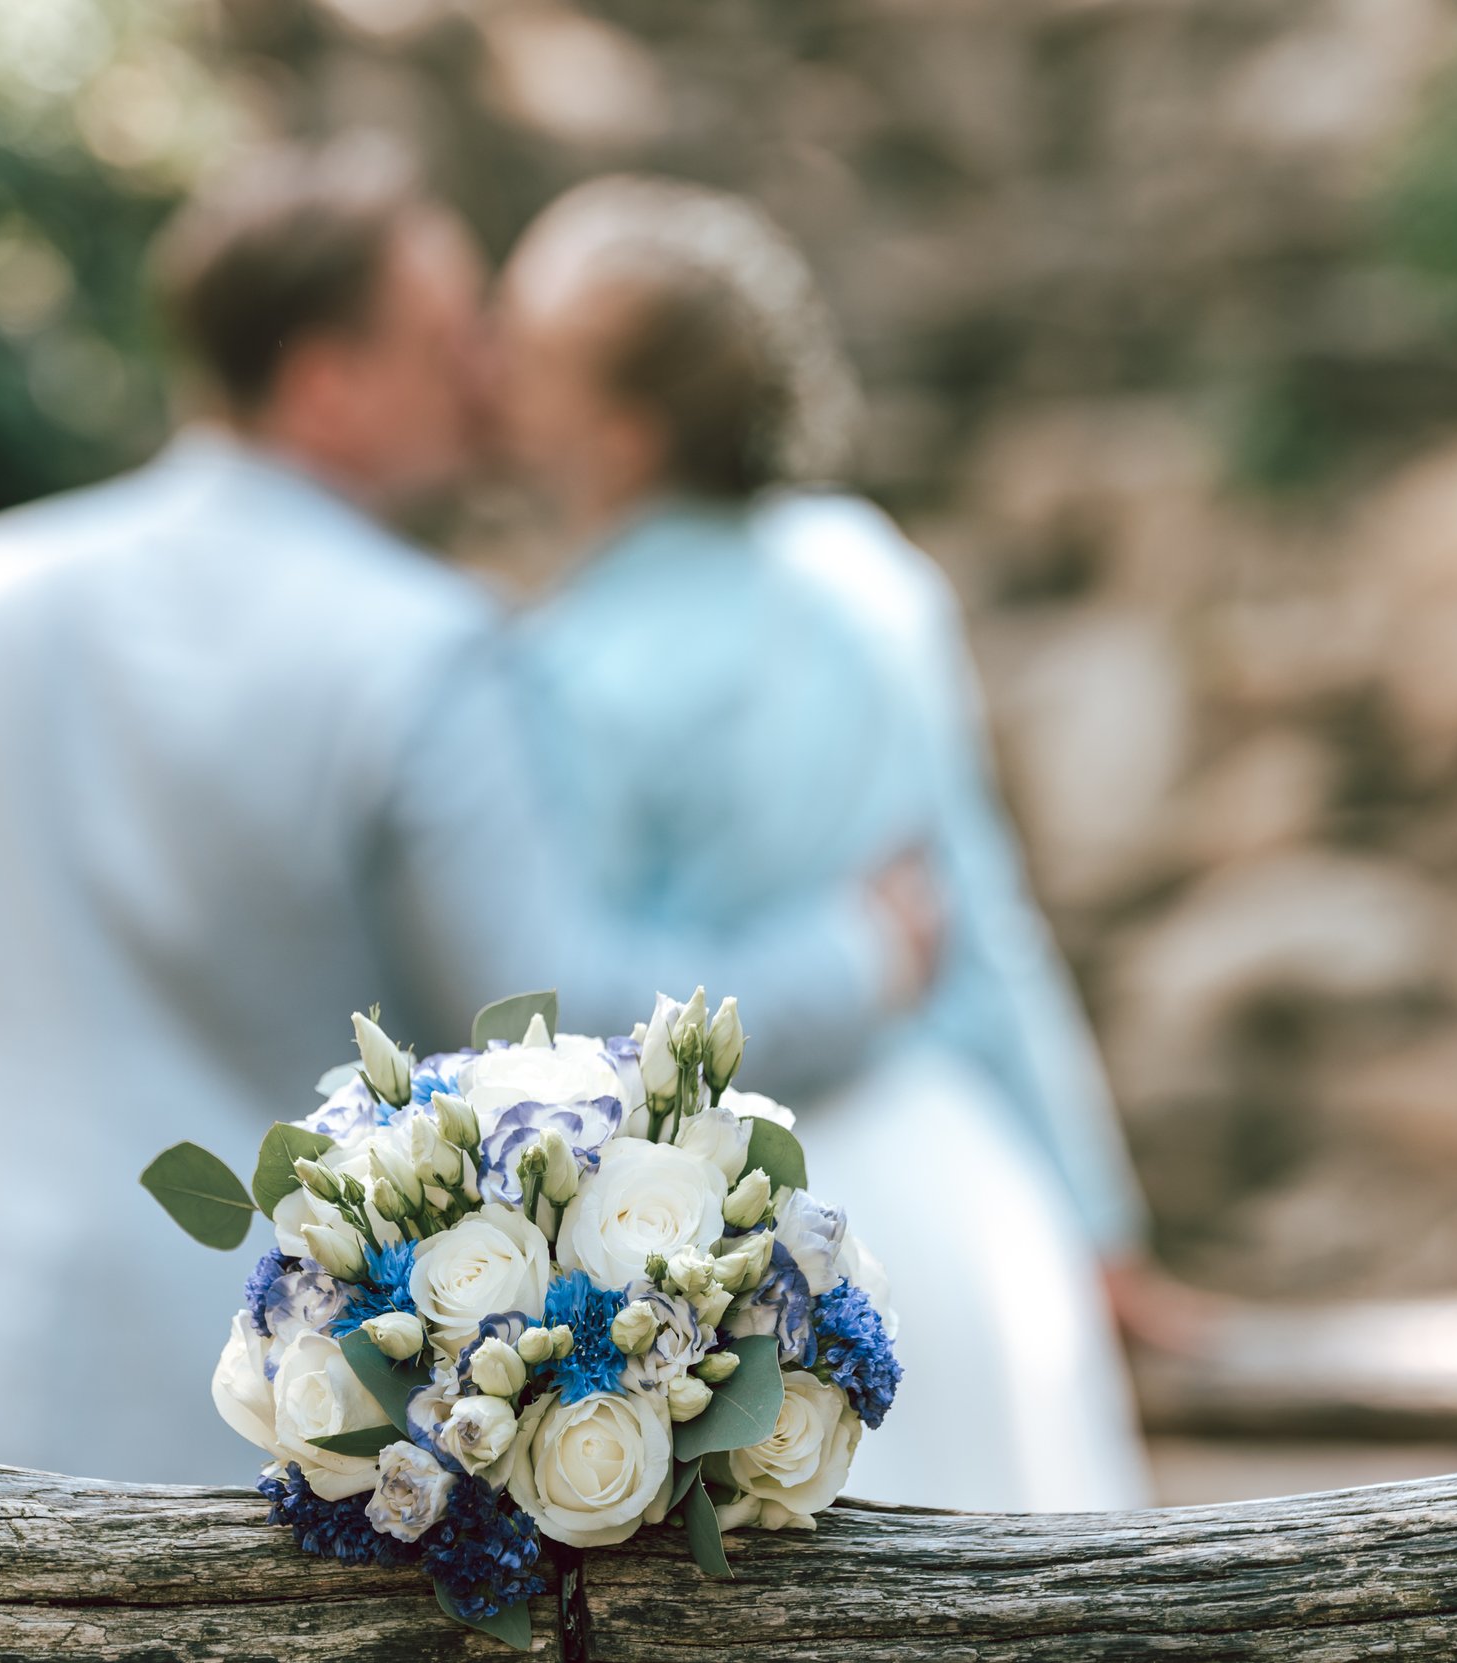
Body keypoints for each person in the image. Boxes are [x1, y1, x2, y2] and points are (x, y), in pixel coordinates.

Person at [0, 142, 940, 1485]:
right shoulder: (429, 652)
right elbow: (558, 1027)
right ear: (327, 384)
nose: (487, 379)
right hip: (275, 1422)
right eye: (449, 342)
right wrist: (856, 958)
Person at [494, 176, 1158, 1510]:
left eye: (529, 354)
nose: (491, 376)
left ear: (619, 434)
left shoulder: (557, 672)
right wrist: (1094, 1216)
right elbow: (985, 919)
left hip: (729, 1258)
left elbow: (591, 1009)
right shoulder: (872, 574)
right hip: (961, 1201)